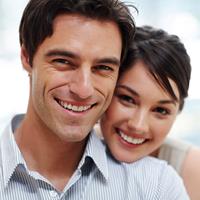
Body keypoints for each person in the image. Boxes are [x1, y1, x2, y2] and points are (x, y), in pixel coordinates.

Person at [0, 1, 189, 199]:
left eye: (103, 67)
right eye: (63, 62)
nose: (83, 90)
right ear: (27, 57)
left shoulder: (158, 186)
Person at [98, 25, 199, 199]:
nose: (138, 125)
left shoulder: (192, 169)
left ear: (178, 112)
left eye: (161, 110)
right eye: (127, 99)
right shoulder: (74, 150)